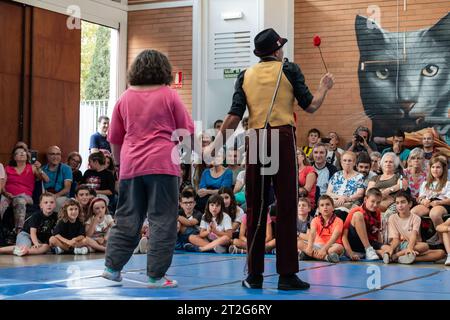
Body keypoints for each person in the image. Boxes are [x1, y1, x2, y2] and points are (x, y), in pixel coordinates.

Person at [204, 28, 334, 290]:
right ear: (277, 50)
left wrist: (215, 146)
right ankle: (286, 276)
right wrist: (323, 87)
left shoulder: (245, 75)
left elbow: (233, 116)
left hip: (256, 140)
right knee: (285, 205)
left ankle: (254, 276)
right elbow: (310, 105)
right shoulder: (290, 70)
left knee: (256, 207)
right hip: (281, 138)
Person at [102, 49, 194, 289]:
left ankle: (112, 268)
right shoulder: (169, 95)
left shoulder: (124, 98)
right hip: (163, 164)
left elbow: (114, 138)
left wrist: (120, 165)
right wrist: (186, 158)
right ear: (163, 69)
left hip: (131, 165)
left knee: (127, 218)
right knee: (162, 220)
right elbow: (186, 132)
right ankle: (155, 276)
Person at [381, 191, 445, 264]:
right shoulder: (392, 218)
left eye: (403, 202)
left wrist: (410, 248)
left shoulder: (416, 218)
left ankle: (402, 258)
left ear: (410, 204)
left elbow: (413, 235)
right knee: (424, 246)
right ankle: (398, 255)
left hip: (413, 245)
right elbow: (395, 239)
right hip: (399, 246)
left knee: (441, 253)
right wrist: (391, 250)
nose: (400, 205)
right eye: (397, 203)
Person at [0, 146, 48, 232]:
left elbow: (46, 179)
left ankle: (19, 231)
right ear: (14, 157)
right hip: (8, 195)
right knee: (2, 204)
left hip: (25, 197)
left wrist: (39, 169)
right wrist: (6, 194)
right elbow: (2, 186)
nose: (22, 153)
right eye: (19, 152)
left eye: (24, 152)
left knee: (19, 201)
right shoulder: (7, 168)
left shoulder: (32, 167)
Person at [411, 156, 450, 246]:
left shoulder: (448, 183)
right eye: (433, 167)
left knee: (434, 214)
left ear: (443, 169)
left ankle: (442, 239)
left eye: (438, 167)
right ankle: (418, 238)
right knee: (413, 212)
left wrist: (439, 202)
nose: (435, 170)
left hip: (443, 203)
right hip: (429, 203)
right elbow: (419, 198)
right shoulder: (425, 183)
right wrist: (423, 201)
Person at [299, 195, 344, 263]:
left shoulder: (339, 221)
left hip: (331, 245)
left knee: (338, 248)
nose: (325, 207)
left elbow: (334, 238)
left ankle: (310, 255)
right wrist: (310, 247)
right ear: (319, 209)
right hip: (317, 245)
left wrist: (324, 249)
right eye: (322, 205)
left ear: (333, 208)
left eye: (328, 204)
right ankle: (327, 258)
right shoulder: (315, 220)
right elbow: (312, 234)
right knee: (298, 243)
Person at [341, 188, 383, 261]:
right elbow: (344, 236)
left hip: (370, 242)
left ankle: (366, 253)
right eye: (372, 201)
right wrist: (350, 253)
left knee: (387, 249)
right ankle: (368, 250)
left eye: (378, 202)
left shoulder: (377, 212)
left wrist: (380, 246)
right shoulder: (355, 210)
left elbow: (377, 232)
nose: (375, 205)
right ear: (365, 199)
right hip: (355, 243)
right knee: (358, 215)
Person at [42, 146, 73, 213]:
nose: (55, 157)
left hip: (61, 196)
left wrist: (56, 195)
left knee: (56, 202)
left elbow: (67, 189)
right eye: (52, 154)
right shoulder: (42, 169)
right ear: (47, 156)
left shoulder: (66, 168)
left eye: (58, 154)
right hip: (46, 197)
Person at [297, 148, 317, 212]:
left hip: (306, 202)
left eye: (297, 154)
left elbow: (305, 191)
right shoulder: (290, 171)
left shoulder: (309, 170)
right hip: (292, 200)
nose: (294, 156)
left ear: (302, 157)